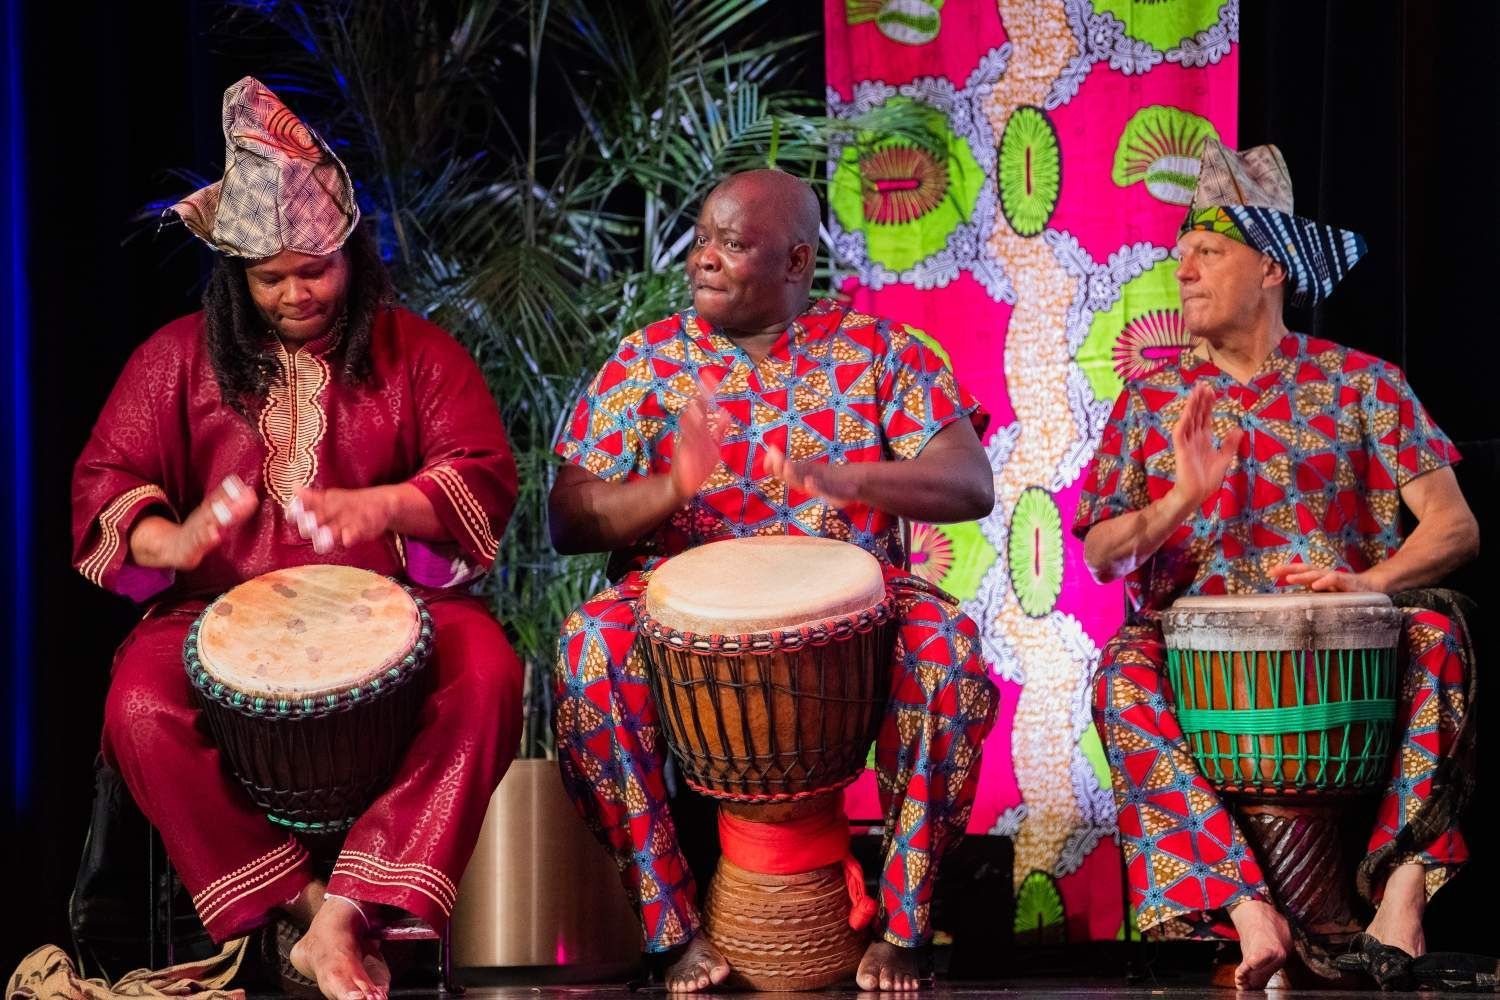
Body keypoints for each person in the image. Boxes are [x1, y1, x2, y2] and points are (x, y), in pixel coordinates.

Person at [71, 77, 522, 1000]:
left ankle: (357, 906)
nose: (294, 293)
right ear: (235, 278)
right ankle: (311, 910)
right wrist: (174, 538)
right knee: (138, 708)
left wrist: (386, 508)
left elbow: (479, 475)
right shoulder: (173, 361)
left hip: (398, 611)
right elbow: (105, 486)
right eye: (268, 277)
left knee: (489, 670)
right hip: (211, 615)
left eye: (314, 270)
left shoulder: (417, 356)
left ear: (352, 255)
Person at [548, 169, 999, 992]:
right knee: (588, 655)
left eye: (733, 244)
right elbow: (568, 516)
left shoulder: (880, 351)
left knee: (951, 653)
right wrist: (671, 488)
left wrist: (849, 478)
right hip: (672, 604)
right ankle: (671, 930)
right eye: (703, 238)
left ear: (797, 262)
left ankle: (905, 925)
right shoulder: (648, 360)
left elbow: (970, 482)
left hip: (859, 609)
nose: (703, 260)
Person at [1076, 138, 1480, 990]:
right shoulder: (1151, 399)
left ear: (1272, 269)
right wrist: (1182, 496)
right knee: (1118, 673)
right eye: (1179, 255)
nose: (1183, 271)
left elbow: (1454, 528)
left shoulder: (1366, 382)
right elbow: (1103, 557)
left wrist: (1369, 584)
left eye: (1208, 253)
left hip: (1350, 643)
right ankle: (1245, 907)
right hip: (1193, 659)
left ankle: (1403, 889)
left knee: (1442, 628)